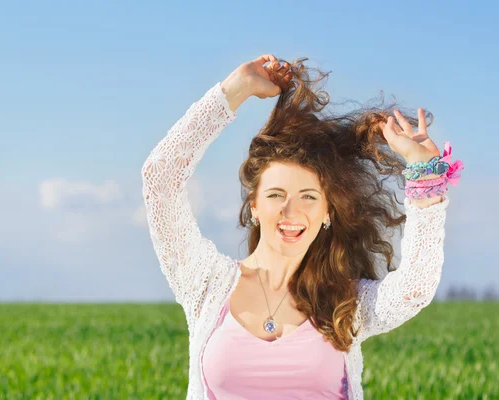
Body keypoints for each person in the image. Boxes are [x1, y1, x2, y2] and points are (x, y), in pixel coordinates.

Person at [141, 54, 464, 400]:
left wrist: (424, 174)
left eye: (308, 197)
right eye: (276, 194)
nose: (290, 211)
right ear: (254, 205)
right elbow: (160, 178)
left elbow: (413, 289)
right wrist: (236, 89)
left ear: (327, 211)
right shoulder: (207, 284)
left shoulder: (344, 303)